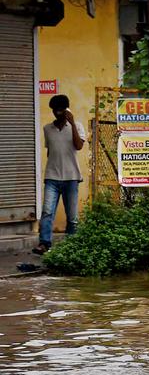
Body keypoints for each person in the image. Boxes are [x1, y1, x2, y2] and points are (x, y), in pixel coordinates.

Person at [34, 94, 87, 255]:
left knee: (72, 216)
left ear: (66, 110)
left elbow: (78, 146)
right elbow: (51, 151)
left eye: (60, 110)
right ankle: (44, 243)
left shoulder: (77, 126)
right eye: (55, 111)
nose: (57, 114)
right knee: (47, 211)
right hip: (52, 177)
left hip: (71, 177)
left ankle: (71, 246)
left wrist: (71, 123)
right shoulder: (47, 129)